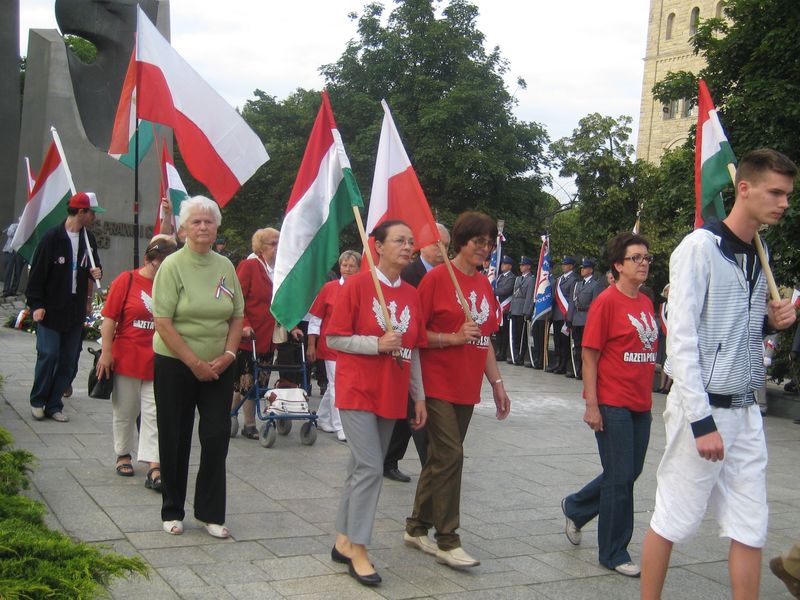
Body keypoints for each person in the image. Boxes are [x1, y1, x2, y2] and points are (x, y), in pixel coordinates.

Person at [640, 149, 798, 600]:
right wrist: (702, 421)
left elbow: (736, 329)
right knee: (673, 517)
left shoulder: (760, 250)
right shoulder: (699, 247)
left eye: (787, 194)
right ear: (743, 189)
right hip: (703, 406)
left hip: (748, 409)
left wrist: (770, 321)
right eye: (775, 192)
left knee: (751, 525)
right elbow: (683, 338)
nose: (784, 202)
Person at [405, 211, 511, 570]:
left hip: (467, 384)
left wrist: (496, 383)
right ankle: (448, 539)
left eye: (489, 243)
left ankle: (416, 526)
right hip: (435, 383)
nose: (485, 249)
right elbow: (415, 335)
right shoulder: (435, 280)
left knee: (440, 459)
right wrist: (452, 337)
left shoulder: (483, 284)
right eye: (478, 242)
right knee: (451, 455)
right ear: (462, 243)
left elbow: (485, 341)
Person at [327, 220, 428, 587]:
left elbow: (412, 349)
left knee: (359, 468)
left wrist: (419, 396)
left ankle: (342, 538)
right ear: (378, 246)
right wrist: (374, 345)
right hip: (357, 390)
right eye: (400, 240)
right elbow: (335, 338)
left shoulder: (412, 295)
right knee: (371, 467)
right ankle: (359, 547)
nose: (407, 246)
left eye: (411, 241)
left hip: (392, 392)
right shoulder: (356, 286)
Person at [561, 233, 657, 577]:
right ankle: (614, 552)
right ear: (618, 265)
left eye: (646, 257)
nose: (644, 263)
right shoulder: (606, 301)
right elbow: (590, 355)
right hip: (612, 402)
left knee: (629, 472)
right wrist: (592, 403)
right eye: (636, 258)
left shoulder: (645, 302)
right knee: (620, 480)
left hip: (640, 403)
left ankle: (576, 507)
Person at [152, 195, 244, 539]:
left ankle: (211, 513)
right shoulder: (172, 265)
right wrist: (194, 363)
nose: (203, 227)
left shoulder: (225, 266)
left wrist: (230, 355)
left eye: (209, 221)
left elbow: (236, 316)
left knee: (217, 435)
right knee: (175, 436)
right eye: (196, 222)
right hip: (176, 363)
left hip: (219, 365)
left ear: (217, 226)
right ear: (184, 228)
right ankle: (172, 509)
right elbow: (162, 321)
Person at [96, 235, 177, 488]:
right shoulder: (127, 280)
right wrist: (106, 353)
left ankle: (154, 464)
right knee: (125, 410)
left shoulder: (172, 284)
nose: (161, 269)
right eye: (158, 263)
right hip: (127, 358)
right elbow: (109, 319)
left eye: (167, 264)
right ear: (147, 260)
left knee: (155, 413)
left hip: (159, 360)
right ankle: (123, 453)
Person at [26, 192, 103, 422]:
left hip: (74, 311)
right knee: (49, 354)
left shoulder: (89, 240)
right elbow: (36, 276)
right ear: (81, 212)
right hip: (50, 310)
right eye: (92, 212)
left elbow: (94, 267)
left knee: (69, 360)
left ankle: (54, 404)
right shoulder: (52, 238)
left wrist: (96, 272)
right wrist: (36, 304)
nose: (94, 217)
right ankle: (38, 400)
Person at [382, 224, 450, 482]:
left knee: (408, 414)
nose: (441, 250)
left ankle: (389, 459)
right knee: (418, 414)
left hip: (431, 352)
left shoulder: (446, 274)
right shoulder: (409, 272)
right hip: (406, 352)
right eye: (436, 244)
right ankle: (430, 467)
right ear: (423, 244)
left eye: (445, 245)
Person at [306, 249, 362, 443]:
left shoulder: (361, 288)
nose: (347, 269)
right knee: (338, 386)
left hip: (354, 345)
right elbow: (315, 319)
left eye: (351, 266)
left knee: (333, 385)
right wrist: (311, 344)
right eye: (344, 265)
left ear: (358, 268)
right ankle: (341, 426)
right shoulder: (329, 288)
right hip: (331, 346)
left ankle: (322, 417)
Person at [231, 228, 279, 440]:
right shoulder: (249, 266)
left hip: (268, 337)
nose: (277, 247)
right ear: (261, 247)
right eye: (272, 244)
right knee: (247, 382)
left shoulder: (280, 270)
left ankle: (230, 412)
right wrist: (244, 324)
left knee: (258, 382)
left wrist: (292, 326)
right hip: (248, 336)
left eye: (279, 243)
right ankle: (249, 424)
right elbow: (237, 298)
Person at [567, 258, 602, 379]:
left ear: (591, 270)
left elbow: (595, 304)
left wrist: (593, 321)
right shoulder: (577, 284)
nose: (582, 270)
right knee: (576, 346)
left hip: (587, 319)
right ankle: (577, 368)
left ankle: (584, 371)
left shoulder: (595, 285)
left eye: (585, 268)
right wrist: (569, 318)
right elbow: (572, 302)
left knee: (585, 348)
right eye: (581, 268)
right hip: (577, 318)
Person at [548, 256, 577, 375]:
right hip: (556, 314)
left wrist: (569, 316)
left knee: (565, 341)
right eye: (563, 264)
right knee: (557, 340)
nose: (563, 266)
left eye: (565, 264)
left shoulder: (574, 280)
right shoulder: (558, 279)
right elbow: (554, 296)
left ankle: (564, 364)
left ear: (571, 266)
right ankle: (557, 362)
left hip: (565, 314)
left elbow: (571, 299)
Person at [508, 255, 535, 366]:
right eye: (520, 265)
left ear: (528, 267)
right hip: (515, 309)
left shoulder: (531, 279)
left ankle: (520, 356)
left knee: (522, 335)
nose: (521, 267)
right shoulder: (518, 279)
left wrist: (527, 311)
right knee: (515, 334)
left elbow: (529, 297)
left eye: (523, 265)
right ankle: (514, 355)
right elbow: (514, 295)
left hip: (522, 310)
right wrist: (510, 309)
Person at [493, 255, 515, 362]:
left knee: (504, 331)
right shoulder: (499, 277)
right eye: (502, 263)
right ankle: (498, 351)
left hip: (505, 308)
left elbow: (506, 290)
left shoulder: (511, 278)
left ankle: (503, 352)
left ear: (509, 266)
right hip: (498, 308)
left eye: (505, 264)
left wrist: (492, 291)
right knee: (498, 331)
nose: (502, 265)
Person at [3, 217, 26, 297]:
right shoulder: (14, 226)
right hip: (10, 251)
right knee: (8, 271)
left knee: (18, 272)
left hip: (20, 252)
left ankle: (13, 290)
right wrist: (19, 230)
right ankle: (6, 290)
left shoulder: (26, 229)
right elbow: (9, 233)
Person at [656, 284, 672, 394]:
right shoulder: (662, 305)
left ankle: (667, 387)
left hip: (672, 335)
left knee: (671, 361)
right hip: (663, 335)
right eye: (666, 290)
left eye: (670, 291)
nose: (667, 292)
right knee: (663, 361)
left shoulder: (677, 305)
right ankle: (661, 386)